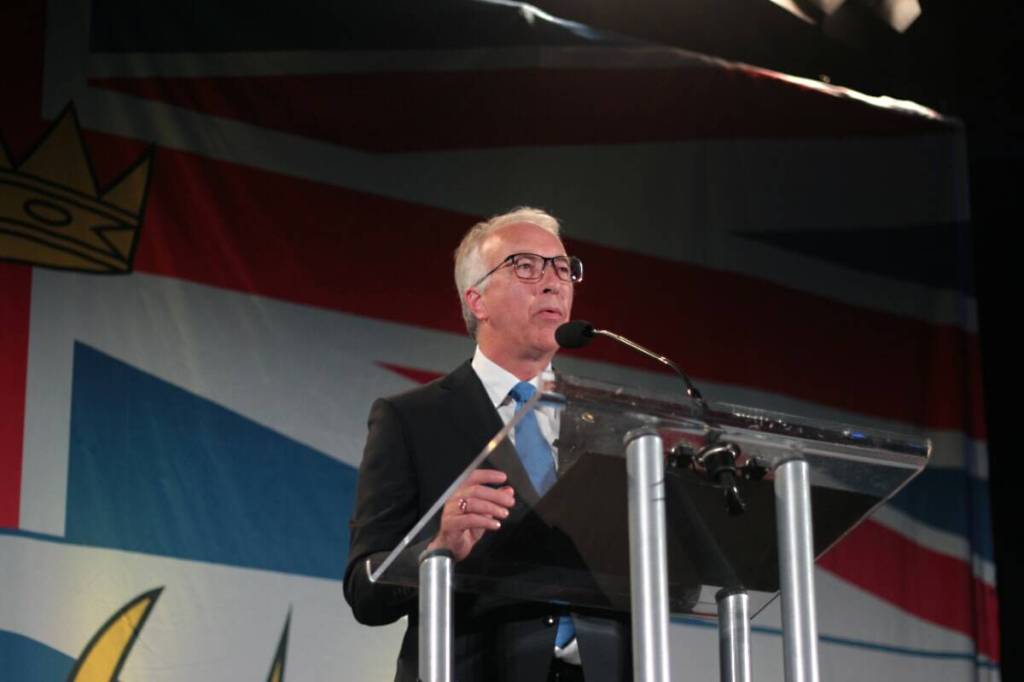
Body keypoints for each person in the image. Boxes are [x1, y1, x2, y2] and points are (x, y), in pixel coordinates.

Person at [344, 207, 631, 682]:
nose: (553, 282)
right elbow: (365, 590)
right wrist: (437, 548)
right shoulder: (411, 418)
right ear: (477, 301)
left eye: (562, 267)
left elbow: (665, 576)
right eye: (526, 266)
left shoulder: (611, 424)